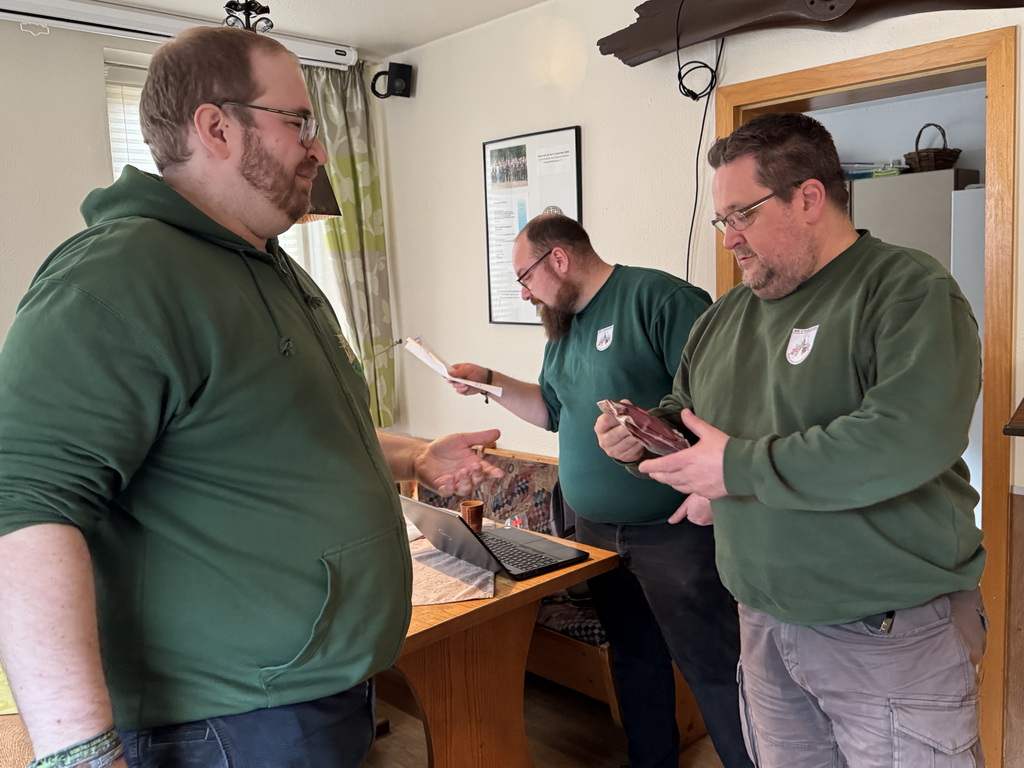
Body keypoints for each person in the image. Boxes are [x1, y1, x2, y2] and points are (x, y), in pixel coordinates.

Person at [0, 26, 503, 768]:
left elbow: (289, 435)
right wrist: (82, 756)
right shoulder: (119, 274)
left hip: (316, 695)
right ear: (216, 127)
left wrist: (416, 456)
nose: (318, 149)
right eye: (299, 121)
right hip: (226, 723)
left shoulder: (274, 267)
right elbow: (25, 511)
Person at [596, 112, 988, 767]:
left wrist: (738, 468)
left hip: (887, 633)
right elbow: (688, 418)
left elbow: (909, 438)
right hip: (761, 624)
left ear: (808, 198)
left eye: (741, 215)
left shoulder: (907, 288)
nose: (729, 238)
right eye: (721, 221)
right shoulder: (724, 316)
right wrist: (638, 440)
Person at [448, 214, 752, 768]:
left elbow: (727, 396)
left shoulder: (660, 300)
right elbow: (551, 411)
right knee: (634, 662)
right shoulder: (563, 330)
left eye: (525, 278)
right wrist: (487, 382)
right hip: (596, 535)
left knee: (714, 667)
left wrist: (713, 493)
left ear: (559, 259)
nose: (524, 293)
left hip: (672, 531)